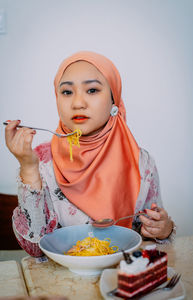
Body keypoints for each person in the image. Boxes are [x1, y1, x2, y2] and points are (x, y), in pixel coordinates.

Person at [5, 51, 175, 257]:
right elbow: (35, 249)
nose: (78, 103)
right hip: (63, 283)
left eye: (92, 90)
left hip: (118, 281)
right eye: (67, 92)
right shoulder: (39, 160)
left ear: (114, 100)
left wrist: (161, 230)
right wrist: (29, 169)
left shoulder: (141, 162)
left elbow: (146, 236)